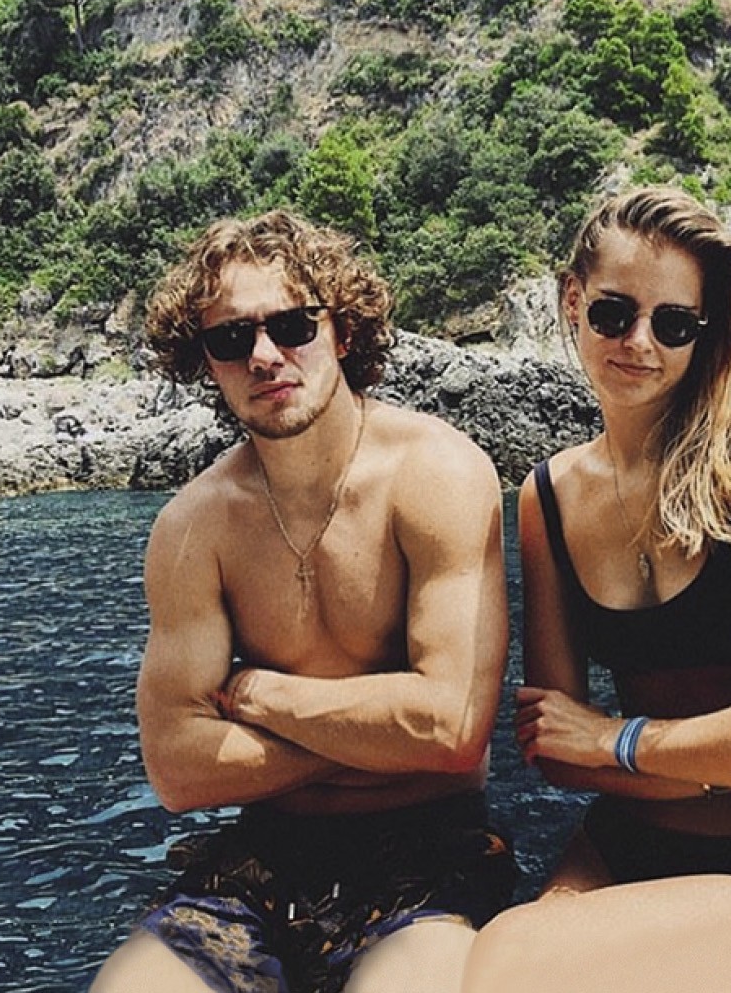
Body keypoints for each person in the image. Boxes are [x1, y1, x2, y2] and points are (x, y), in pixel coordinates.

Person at [462, 186, 731, 993]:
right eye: (614, 313)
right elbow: (555, 747)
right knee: (467, 971)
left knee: (511, 958)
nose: (640, 342)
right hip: (626, 847)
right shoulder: (547, 498)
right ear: (573, 301)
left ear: (703, 331)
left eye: (674, 324)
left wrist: (614, 737)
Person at [90, 209, 518, 993]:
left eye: (291, 325)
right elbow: (178, 769)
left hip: (428, 857)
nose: (264, 355)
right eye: (231, 339)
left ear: (343, 331)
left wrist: (262, 696)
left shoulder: (437, 475)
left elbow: (452, 728)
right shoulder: (194, 525)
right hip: (257, 863)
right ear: (207, 361)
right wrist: (383, 733)